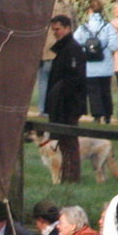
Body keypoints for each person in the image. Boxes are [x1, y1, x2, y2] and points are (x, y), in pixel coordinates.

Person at [45, 14, 88, 182]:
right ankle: (66, 175)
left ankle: (72, 177)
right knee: (63, 142)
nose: (55, 33)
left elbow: (75, 80)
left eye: (58, 29)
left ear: (68, 28)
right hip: (60, 103)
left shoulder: (73, 49)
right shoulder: (63, 49)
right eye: (53, 30)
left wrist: (62, 99)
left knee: (70, 142)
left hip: (69, 104)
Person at [75, 0, 118, 123]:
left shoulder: (83, 27)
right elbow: (114, 45)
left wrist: (86, 49)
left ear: (89, 11)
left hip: (89, 65)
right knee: (105, 90)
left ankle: (97, 116)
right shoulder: (108, 27)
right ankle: (108, 115)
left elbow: (75, 42)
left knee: (93, 91)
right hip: (105, 64)